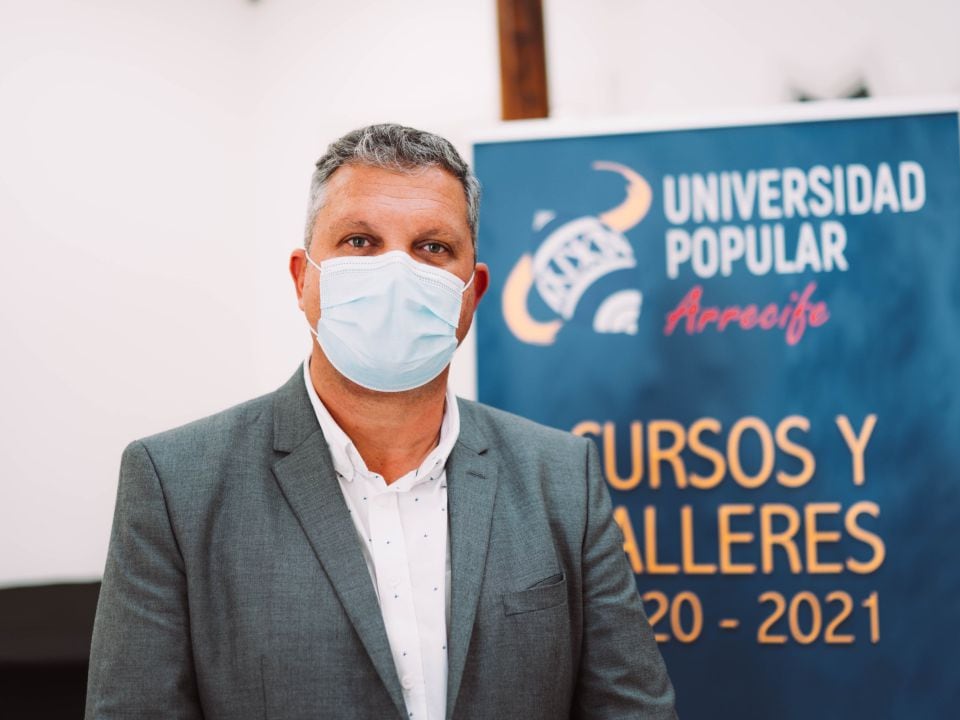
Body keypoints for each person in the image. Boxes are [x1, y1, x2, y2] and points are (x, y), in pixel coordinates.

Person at [85, 124, 676, 719]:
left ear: (473, 293)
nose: (397, 273)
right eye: (360, 241)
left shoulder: (559, 476)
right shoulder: (176, 485)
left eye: (432, 248)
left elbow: (632, 709)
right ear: (302, 279)